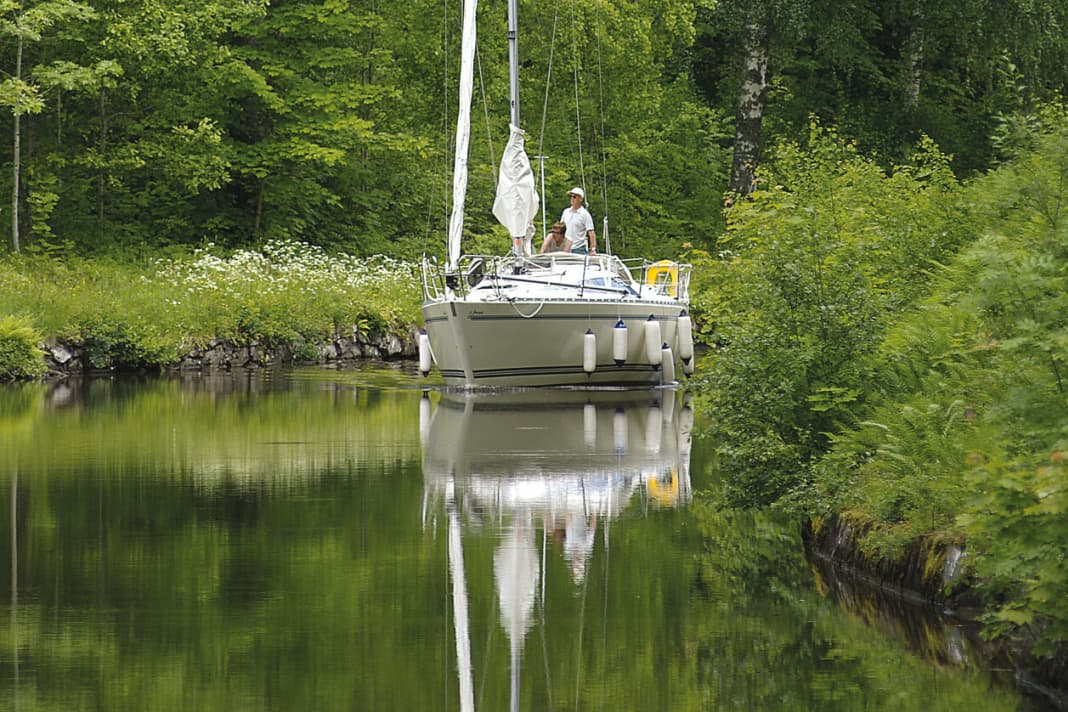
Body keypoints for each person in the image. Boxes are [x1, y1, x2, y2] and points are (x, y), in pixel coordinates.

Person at [560, 186, 596, 255]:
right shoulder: (566, 212)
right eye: (571, 196)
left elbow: (591, 233)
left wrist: (593, 249)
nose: (572, 199)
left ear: (580, 199)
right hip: (565, 248)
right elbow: (561, 229)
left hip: (579, 249)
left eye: (574, 197)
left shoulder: (585, 214)